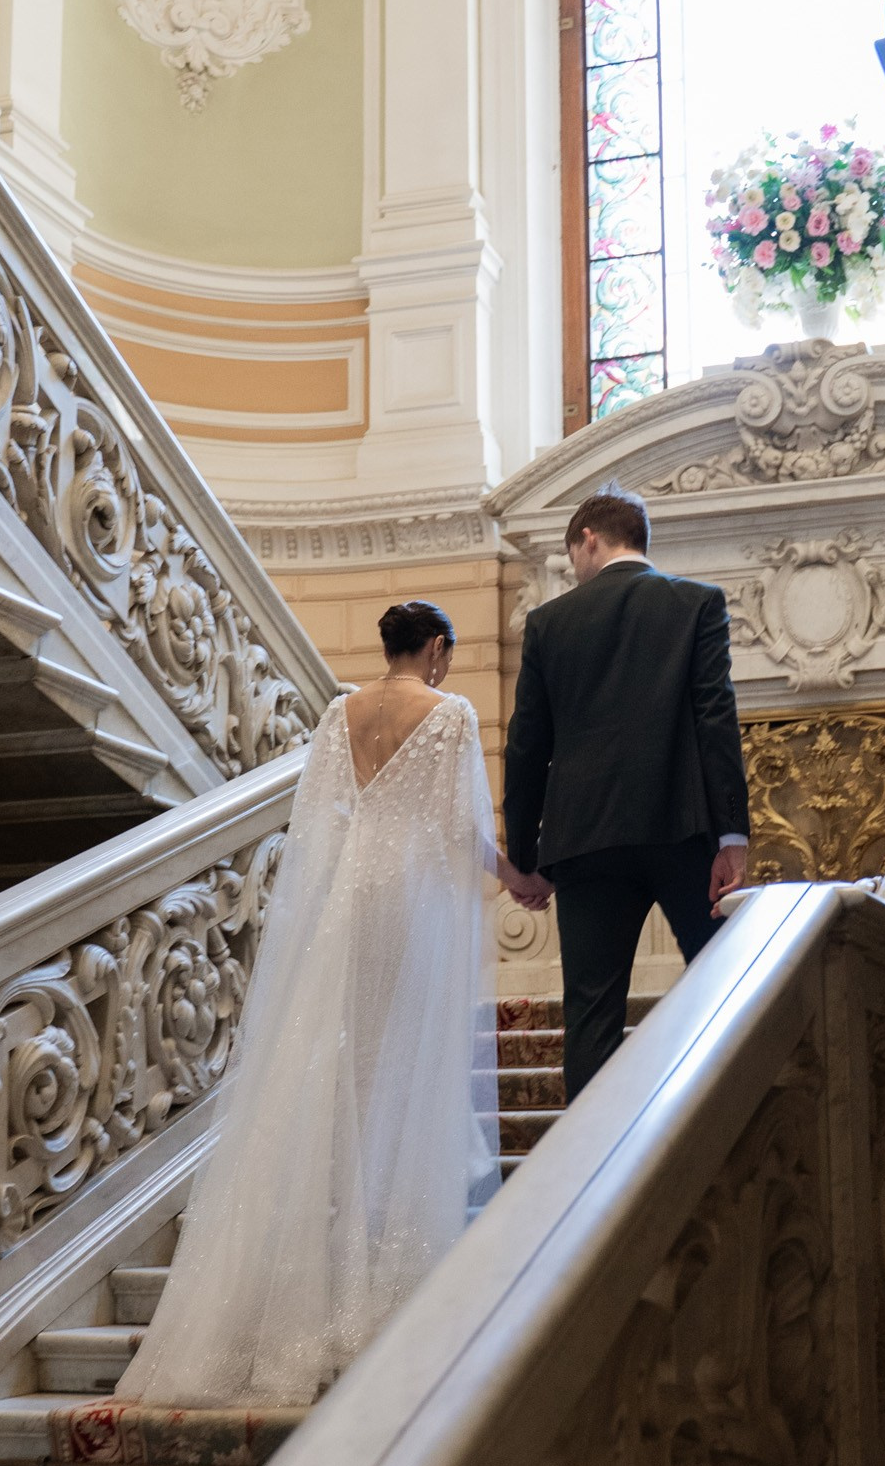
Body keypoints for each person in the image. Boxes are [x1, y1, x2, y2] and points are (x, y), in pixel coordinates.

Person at [117, 601, 541, 1410]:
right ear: (437, 648)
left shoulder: (337, 714)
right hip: (410, 901)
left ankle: (326, 1261)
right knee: (405, 1071)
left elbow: (317, 827)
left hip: (350, 901)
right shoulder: (449, 713)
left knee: (348, 1066)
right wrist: (516, 875)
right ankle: (379, 1273)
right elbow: (459, 830)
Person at [503, 486, 751, 1102]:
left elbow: (527, 747)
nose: (574, 568)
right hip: (681, 832)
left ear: (588, 539)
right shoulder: (697, 603)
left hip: (584, 843)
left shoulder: (548, 624)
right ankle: (716, 1125)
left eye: (572, 554)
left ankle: (593, 1156)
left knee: (591, 1014)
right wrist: (732, 837)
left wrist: (527, 860)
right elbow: (716, 720)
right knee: (722, 984)